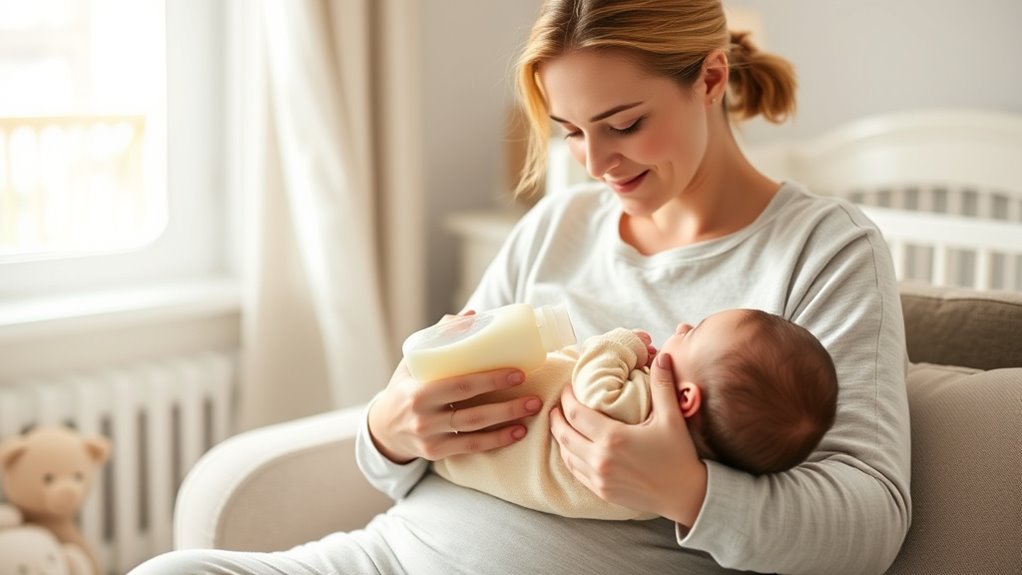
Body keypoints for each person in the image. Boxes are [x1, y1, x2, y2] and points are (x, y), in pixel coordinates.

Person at [130, 0, 910, 573]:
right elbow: (415, 448)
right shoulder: (554, 228)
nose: (596, 162)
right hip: (387, 559)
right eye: (571, 132)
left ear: (710, 78)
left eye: (625, 123)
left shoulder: (823, 250)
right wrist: (390, 430)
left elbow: (869, 526)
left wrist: (688, 489)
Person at [433, 308, 840, 521]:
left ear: (684, 399)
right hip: (458, 445)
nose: (680, 327)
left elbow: (591, 391)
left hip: (474, 434)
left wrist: (619, 343)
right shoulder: (659, 481)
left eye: (693, 333)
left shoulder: (639, 415)